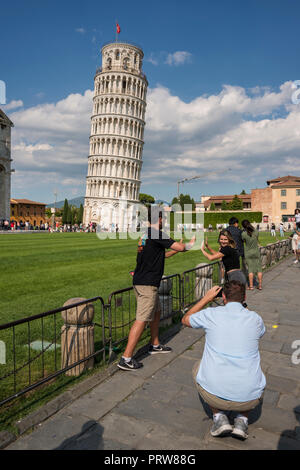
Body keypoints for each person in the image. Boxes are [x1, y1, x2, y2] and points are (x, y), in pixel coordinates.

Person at [182, 281, 266, 440]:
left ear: (223, 297)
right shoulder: (255, 319)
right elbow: (261, 332)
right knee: (253, 368)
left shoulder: (211, 314)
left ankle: (219, 417)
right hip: (249, 399)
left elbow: (186, 319)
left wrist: (205, 299)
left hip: (215, 395)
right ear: (244, 297)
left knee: (198, 366)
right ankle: (242, 420)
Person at [118, 206, 195, 371]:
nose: (165, 221)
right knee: (142, 318)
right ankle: (126, 357)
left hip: (140, 280)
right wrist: (190, 245)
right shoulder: (157, 233)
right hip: (147, 284)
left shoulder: (145, 235)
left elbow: (161, 254)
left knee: (156, 311)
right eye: (164, 218)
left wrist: (176, 251)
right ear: (159, 219)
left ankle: (155, 343)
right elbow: (180, 247)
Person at [241, 219, 263, 290]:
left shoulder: (243, 234)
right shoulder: (256, 232)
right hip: (256, 251)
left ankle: (251, 286)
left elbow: (243, 241)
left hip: (248, 252)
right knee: (259, 269)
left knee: (250, 269)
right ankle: (259, 285)